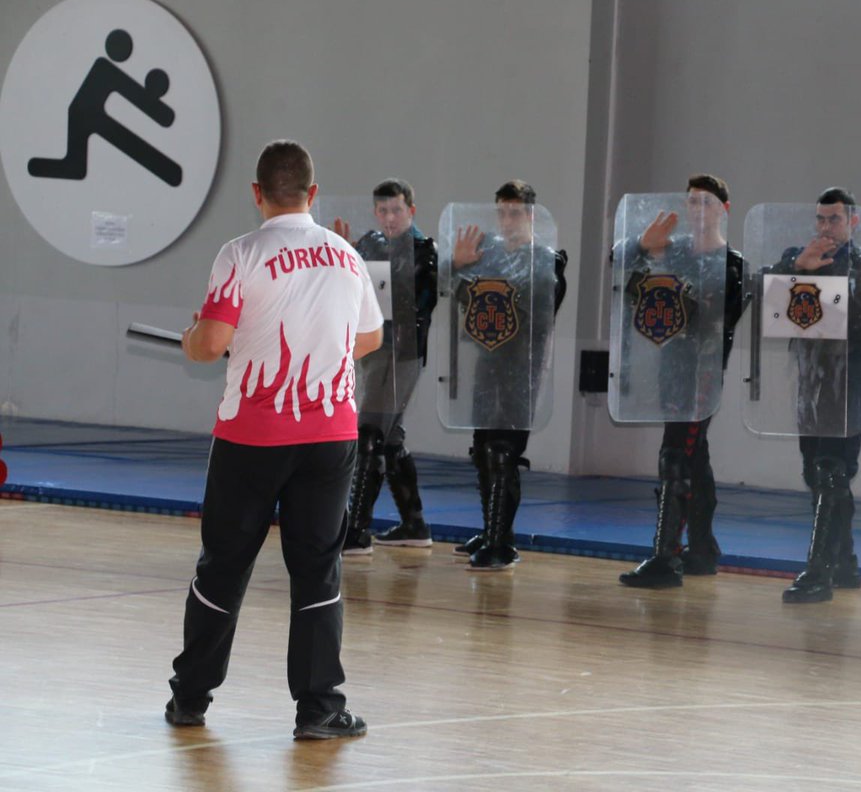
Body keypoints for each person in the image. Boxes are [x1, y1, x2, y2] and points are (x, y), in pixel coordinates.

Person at [165, 140, 382, 739]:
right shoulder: (346, 255)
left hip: (253, 438)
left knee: (224, 565)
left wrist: (191, 339)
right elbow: (368, 339)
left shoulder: (240, 254)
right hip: (330, 436)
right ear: (313, 193)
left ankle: (190, 700)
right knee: (317, 569)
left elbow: (210, 343)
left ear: (257, 193)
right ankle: (320, 710)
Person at [616, 174, 748, 589]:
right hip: (668, 367)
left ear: (724, 209)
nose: (698, 210)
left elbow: (720, 316)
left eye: (707, 203)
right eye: (692, 202)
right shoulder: (671, 253)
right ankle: (703, 549)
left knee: (675, 457)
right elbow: (620, 266)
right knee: (695, 458)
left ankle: (665, 556)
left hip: (703, 375)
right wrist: (641, 245)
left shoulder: (734, 264)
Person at [769, 188, 861, 603]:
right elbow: (769, 301)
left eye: (834, 220)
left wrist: (811, 274)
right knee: (817, 474)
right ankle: (844, 562)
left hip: (851, 380)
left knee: (831, 469)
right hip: (812, 380)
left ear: (853, 222)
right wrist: (797, 267)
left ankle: (818, 571)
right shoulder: (797, 256)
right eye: (820, 220)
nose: (825, 228)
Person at [448, 180, 568, 570]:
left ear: (531, 215)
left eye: (515, 211)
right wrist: (458, 266)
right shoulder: (488, 254)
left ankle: (500, 543)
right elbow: (454, 296)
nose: (507, 219)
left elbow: (543, 306)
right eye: (502, 211)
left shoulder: (546, 259)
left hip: (522, 366)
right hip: (486, 361)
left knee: (503, 452)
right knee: (483, 450)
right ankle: (493, 530)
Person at [334, 179, 439, 555]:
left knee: (370, 432)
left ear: (411, 210)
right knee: (390, 437)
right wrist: (346, 253)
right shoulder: (369, 244)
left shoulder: (425, 251)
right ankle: (415, 524)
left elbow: (420, 300)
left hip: (404, 352)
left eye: (397, 210)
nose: (390, 217)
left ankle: (357, 529)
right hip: (375, 350)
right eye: (383, 210)